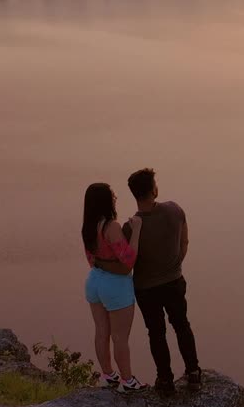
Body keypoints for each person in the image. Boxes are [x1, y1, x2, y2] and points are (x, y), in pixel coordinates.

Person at [124, 168, 200, 395]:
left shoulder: (130, 228)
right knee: (182, 325)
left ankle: (165, 380)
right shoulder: (174, 210)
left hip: (146, 289)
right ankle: (194, 373)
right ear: (154, 190)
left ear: (135, 194)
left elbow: (128, 261)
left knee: (156, 333)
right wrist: (174, 266)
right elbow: (184, 243)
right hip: (174, 281)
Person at [81, 183, 148, 394]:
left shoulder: (88, 227)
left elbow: (92, 261)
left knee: (101, 331)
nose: (115, 197)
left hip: (94, 282)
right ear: (105, 201)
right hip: (115, 287)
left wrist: (105, 264)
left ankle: (108, 375)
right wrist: (136, 230)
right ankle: (128, 381)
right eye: (112, 195)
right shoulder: (111, 227)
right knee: (120, 337)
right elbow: (128, 261)